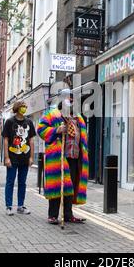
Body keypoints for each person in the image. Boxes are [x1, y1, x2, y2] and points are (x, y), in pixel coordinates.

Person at [37, 89, 89, 224]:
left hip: (75, 157)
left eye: (72, 98)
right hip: (59, 157)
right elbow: (41, 129)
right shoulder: (52, 115)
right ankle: (53, 215)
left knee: (70, 187)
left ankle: (68, 214)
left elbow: (82, 135)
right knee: (57, 185)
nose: (71, 100)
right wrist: (56, 130)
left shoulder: (78, 117)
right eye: (68, 98)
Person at [2, 101, 36, 216]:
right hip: (12, 157)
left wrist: (31, 156)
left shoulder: (29, 122)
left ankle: (20, 206)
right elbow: (6, 140)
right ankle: (8, 206)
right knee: (10, 182)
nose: (24, 108)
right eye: (22, 106)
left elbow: (31, 140)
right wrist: (6, 157)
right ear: (17, 108)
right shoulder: (9, 122)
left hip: (25, 157)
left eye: (25, 106)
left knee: (22, 182)